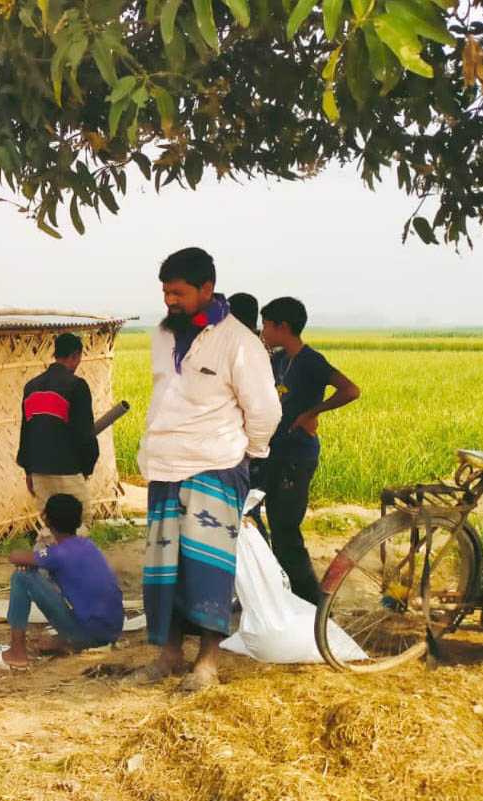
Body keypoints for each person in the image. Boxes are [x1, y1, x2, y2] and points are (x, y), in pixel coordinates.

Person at [133, 247, 280, 691]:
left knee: (209, 568)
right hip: (164, 466)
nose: (169, 301)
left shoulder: (240, 342)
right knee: (166, 568)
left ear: (206, 289)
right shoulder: (162, 336)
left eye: (177, 292)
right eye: (164, 292)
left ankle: (207, 665)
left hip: (217, 465)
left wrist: (247, 454)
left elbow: (266, 410)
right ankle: (168, 656)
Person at [259, 297, 360, 603]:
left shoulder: (311, 361)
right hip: (273, 451)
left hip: (297, 454)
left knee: (286, 529)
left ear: (283, 327)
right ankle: (282, 590)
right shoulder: (276, 360)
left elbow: (350, 390)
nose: (263, 331)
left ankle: (312, 601)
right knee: (265, 522)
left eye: (266, 325)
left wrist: (312, 412)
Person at [0, 494, 124, 668]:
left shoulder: (58, 554)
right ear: (78, 522)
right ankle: (68, 643)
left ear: (47, 521)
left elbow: (16, 557)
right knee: (31, 571)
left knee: (21, 576)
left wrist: (26, 564)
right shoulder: (89, 546)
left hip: (88, 634)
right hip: (112, 632)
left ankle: (17, 653)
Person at [17, 332, 99, 543]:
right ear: (75, 355)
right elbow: (85, 434)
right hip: (69, 470)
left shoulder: (31, 387)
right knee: (82, 522)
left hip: (39, 470)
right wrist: (87, 467)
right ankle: (66, 567)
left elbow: (26, 431)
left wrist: (28, 470)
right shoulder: (76, 386)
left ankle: (44, 562)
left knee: (51, 525)